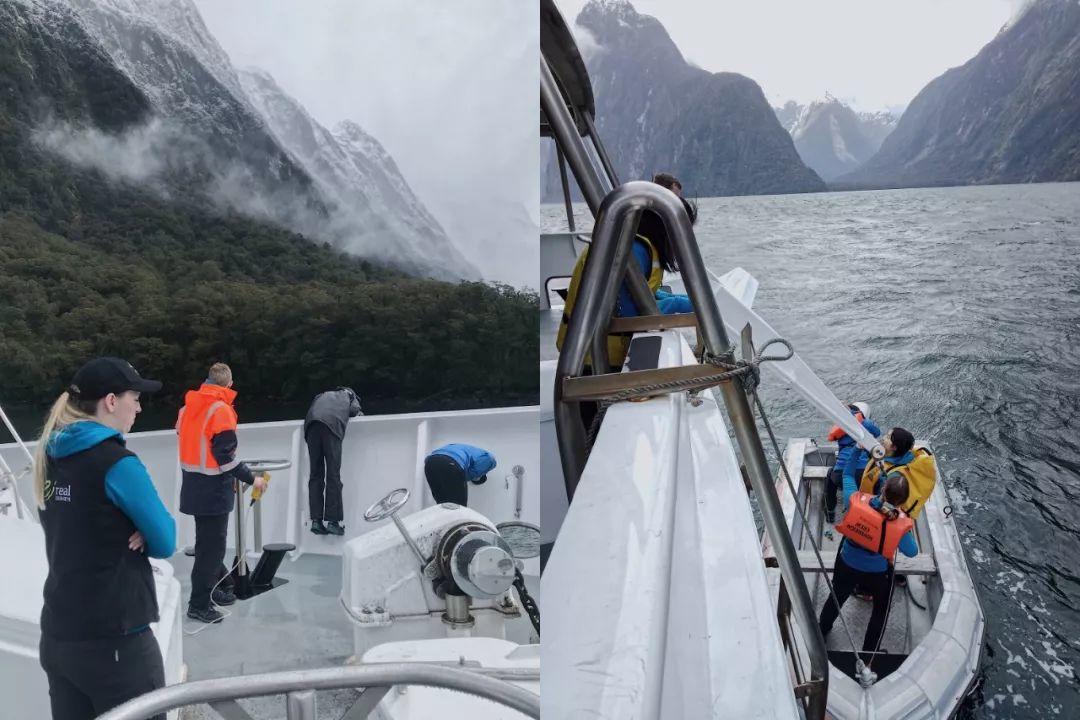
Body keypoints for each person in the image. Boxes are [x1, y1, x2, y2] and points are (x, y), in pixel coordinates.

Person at [35, 357, 176, 720]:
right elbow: (166, 541)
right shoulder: (116, 463)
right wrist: (142, 529)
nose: (140, 407)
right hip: (116, 645)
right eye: (135, 397)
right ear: (111, 402)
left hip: (59, 636)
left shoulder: (49, 457)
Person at [555, 176, 697, 372]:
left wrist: (675, 298)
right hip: (591, 359)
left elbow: (635, 294)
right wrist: (678, 304)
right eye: (681, 231)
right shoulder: (634, 251)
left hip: (588, 351)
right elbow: (632, 314)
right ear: (664, 228)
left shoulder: (633, 243)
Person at [176, 362, 265, 624]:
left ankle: (219, 586)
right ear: (229, 384)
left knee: (207, 543)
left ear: (207, 381)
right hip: (214, 490)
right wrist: (253, 479)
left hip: (192, 485)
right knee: (211, 550)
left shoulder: (186, 408)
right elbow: (224, 456)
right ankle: (199, 605)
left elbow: (189, 439)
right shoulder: (222, 410)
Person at [818, 471, 918, 654]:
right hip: (877, 573)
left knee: (837, 597)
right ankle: (869, 654)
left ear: (882, 488)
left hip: (847, 564)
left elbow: (847, 476)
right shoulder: (899, 525)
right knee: (880, 610)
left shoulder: (854, 500)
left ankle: (822, 630)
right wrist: (901, 521)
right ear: (903, 502)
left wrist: (857, 450)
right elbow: (912, 552)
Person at [304, 387, 363, 536]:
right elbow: (355, 410)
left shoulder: (321, 394)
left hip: (311, 426)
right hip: (331, 426)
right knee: (333, 475)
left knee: (315, 475)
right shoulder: (349, 394)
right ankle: (333, 522)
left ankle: (316, 521)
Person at [856, 426, 937, 520]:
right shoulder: (889, 455)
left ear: (894, 447)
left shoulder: (890, 477)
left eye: (887, 437)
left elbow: (885, 505)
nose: (883, 438)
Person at [824, 402, 881, 523]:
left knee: (830, 475)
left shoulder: (839, 425)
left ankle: (830, 512)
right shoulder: (864, 422)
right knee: (877, 478)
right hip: (863, 476)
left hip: (840, 477)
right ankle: (876, 512)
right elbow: (877, 432)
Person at [424, 443, 496, 506]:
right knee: (458, 506)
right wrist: (471, 478)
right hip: (450, 462)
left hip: (430, 463)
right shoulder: (489, 460)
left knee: (443, 505)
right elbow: (472, 473)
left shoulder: (468, 450)